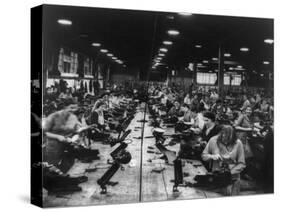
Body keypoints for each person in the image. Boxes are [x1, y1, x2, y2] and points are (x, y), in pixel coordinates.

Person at [202, 125, 246, 196]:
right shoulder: (213, 140)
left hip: (233, 178)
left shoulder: (238, 143)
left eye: (229, 140)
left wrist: (230, 172)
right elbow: (204, 156)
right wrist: (212, 156)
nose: (226, 142)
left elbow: (242, 163)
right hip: (217, 177)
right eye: (223, 138)